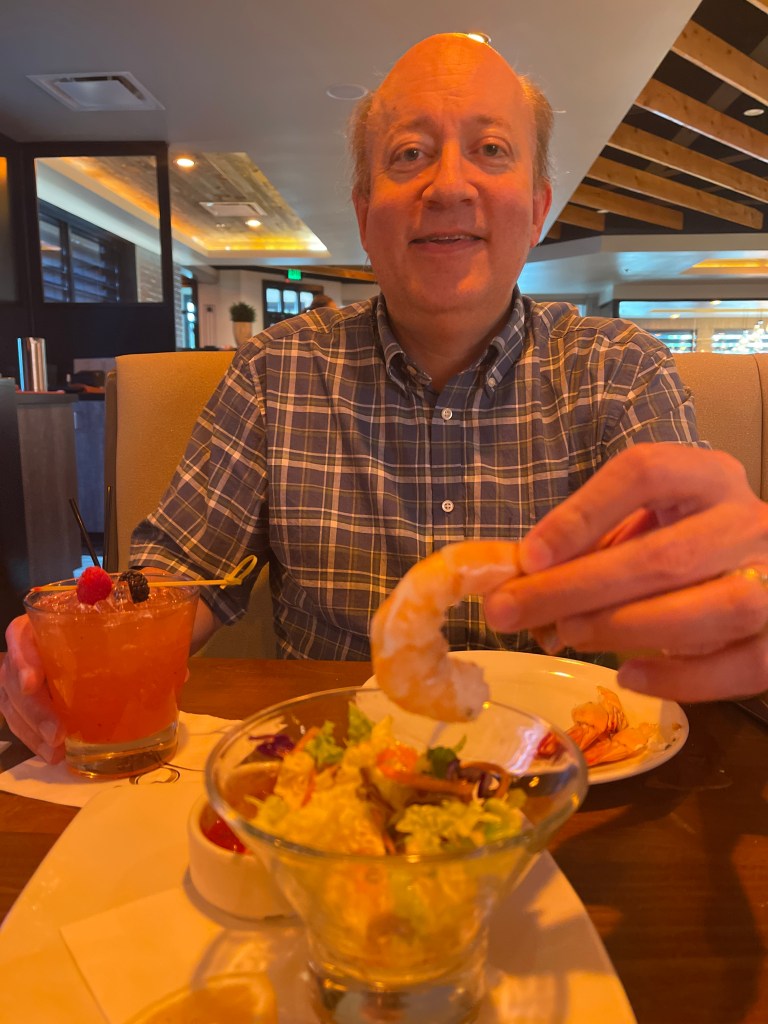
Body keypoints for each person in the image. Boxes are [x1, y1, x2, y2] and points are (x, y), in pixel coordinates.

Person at [2, 33, 766, 764]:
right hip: (335, 784)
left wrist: (741, 589)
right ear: (366, 214)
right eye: (410, 154)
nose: (450, 185)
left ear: (537, 209)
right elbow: (181, 577)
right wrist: (82, 639)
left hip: (575, 794)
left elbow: (702, 584)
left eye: (491, 149)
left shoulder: (621, 371)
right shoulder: (277, 371)